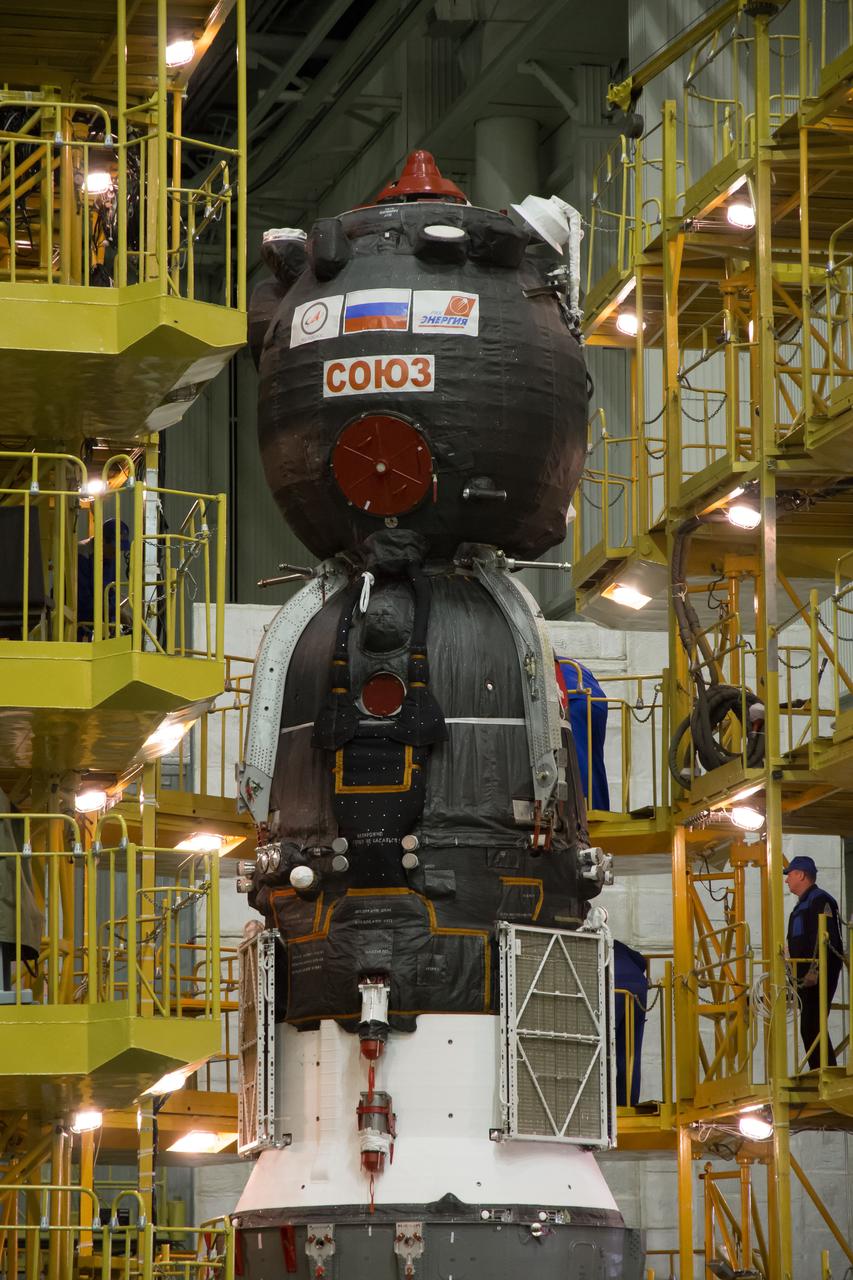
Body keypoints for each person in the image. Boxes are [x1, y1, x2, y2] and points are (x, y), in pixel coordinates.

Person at [784, 855, 844, 1069]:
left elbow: (825, 937)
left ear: (801, 874)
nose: (786, 880)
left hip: (818, 975)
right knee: (809, 1025)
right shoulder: (802, 905)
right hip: (804, 977)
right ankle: (820, 1070)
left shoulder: (820, 900)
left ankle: (825, 1071)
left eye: (789, 875)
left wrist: (815, 969)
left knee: (812, 1024)